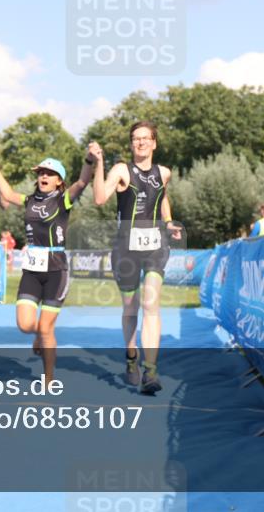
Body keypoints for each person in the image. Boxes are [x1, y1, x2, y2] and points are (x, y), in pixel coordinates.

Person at [0, 149, 95, 382]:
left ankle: (49, 377)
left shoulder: (63, 200)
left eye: (50, 173)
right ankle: (41, 335)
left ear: (58, 181)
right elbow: (9, 194)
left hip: (56, 272)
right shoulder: (30, 200)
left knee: (45, 328)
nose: (44, 176)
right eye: (41, 172)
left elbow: (83, 182)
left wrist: (89, 160)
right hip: (32, 272)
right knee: (25, 325)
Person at [92, 121, 181, 394]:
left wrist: (168, 222)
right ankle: (132, 356)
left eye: (145, 138)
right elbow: (99, 198)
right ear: (132, 144)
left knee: (151, 303)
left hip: (155, 245)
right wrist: (99, 163)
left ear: (154, 143)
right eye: (135, 139)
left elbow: (162, 197)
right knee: (131, 308)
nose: (140, 143)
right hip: (125, 248)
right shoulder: (121, 170)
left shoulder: (163, 173)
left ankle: (150, 372)